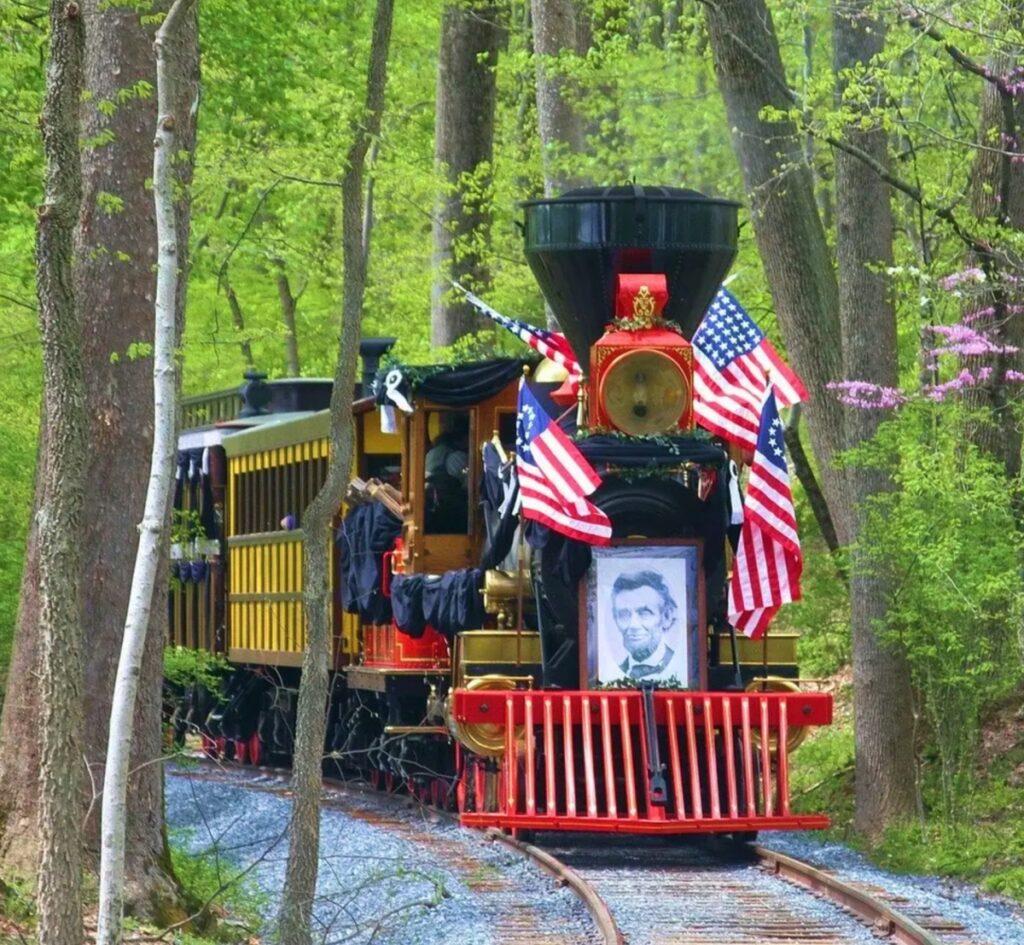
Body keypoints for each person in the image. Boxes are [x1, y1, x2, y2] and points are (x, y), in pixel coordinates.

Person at [611, 570, 684, 681]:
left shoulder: (680, 667)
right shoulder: (613, 673)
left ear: (666, 617)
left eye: (644, 613)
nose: (633, 625)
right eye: (624, 615)